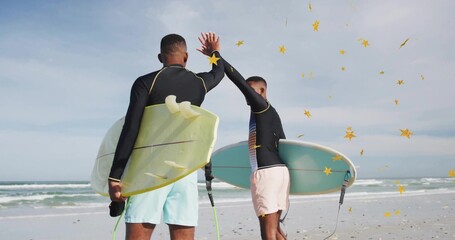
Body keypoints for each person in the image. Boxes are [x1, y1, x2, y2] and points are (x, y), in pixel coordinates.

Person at [108, 33, 224, 240]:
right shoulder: (199, 83)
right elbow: (219, 72)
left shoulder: (146, 82)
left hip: (150, 168)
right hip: (185, 170)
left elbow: (131, 128)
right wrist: (213, 53)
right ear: (186, 57)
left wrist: (115, 175)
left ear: (160, 57)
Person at [198, 33, 290, 240]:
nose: (247, 95)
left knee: (267, 231)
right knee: (275, 230)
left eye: (252, 91)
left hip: (265, 173)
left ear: (262, 90)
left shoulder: (261, 107)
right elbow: (284, 144)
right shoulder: (271, 114)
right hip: (279, 173)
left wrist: (215, 55)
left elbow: (236, 78)